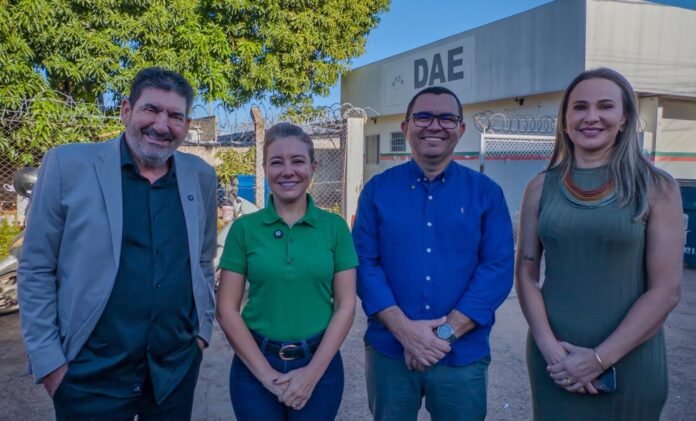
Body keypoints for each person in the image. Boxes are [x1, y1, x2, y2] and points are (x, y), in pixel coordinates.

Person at [18, 67, 218, 420]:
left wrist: (201, 331)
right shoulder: (67, 164)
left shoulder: (200, 176)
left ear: (187, 124)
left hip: (173, 370)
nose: (162, 125)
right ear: (126, 110)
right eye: (151, 109)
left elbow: (203, 258)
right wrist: (49, 363)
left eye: (175, 116)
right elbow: (36, 267)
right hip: (89, 374)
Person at [516, 68, 683, 420]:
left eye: (605, 106)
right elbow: (526, 276)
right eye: (579, 107)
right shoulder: (539, 188)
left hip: (631, 361)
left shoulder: (657, 187)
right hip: (555, 363)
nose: (591, 116)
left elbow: (666, 291)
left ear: (624, 118)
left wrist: (598, 359)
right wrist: (550, 350)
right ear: (565, 121)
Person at [352, 86, 514, 421]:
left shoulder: (486, 194)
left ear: (461, 129)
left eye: (447, 118)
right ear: (406, 127)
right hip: (390, 353)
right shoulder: (377, 192)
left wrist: (441, 336)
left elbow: (496, 269)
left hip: (461, 354)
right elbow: (365, 265)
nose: (435, 126)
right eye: (423, 116)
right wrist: (405, 333)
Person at [216, 122, 357, 420]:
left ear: (313, 167)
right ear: (265, 168)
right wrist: (267, 376)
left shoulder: (335, 228)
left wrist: (311, 374)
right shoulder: (244, 229)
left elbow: (345, 306)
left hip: (320, 365)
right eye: (277, 162)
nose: (288, 171)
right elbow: (226, 309)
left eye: (298, 161)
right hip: (254, 366)